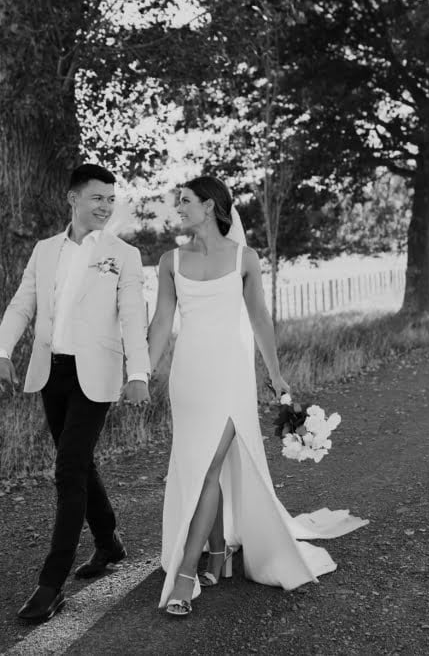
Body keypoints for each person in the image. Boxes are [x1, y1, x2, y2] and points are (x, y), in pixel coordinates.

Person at [147, 176, 367, 617]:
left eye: (186, 201)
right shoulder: (170, 261)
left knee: (209, 465)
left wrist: (276, 373)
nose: (179, 208)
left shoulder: (244, 258)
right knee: (199, 466)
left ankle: (186, 575)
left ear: (210, 206)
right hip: (188, 377)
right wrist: (141, 372)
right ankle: (217, 553)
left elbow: (259, 318)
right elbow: (161, 321)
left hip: (231, 375)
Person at [0, 163, 151, 623]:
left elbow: (132, 316)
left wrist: (138, 372)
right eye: (97, 197)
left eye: (111, 199)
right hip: (52, 371)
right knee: (78, 462)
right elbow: (22, 303)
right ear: (73, 198)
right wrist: (1, 350)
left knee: (67, 469)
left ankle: (50, 585)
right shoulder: (45, 250)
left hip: (96, 373)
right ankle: (108, 542)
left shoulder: (124, 254)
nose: (105, 206)